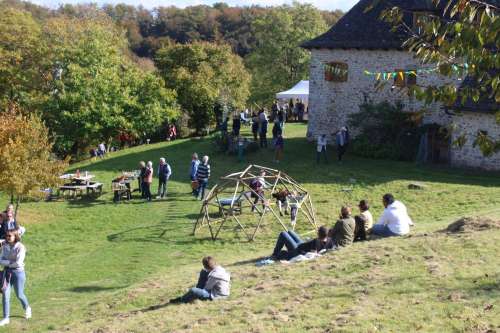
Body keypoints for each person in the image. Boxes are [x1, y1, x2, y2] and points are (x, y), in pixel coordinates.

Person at [0, 229, 31, 326]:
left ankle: (27, 307)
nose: (7, 237)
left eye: (10, 236)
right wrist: (9, 263)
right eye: (7, 236)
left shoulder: (21, 247)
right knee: (5, 294)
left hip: (18, 273)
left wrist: (7, 263)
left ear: (15, 236)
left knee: (19, 294)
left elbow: (18, 263)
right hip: (6, 273)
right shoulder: (5, 246)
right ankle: (6, 318)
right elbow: (0, 259)